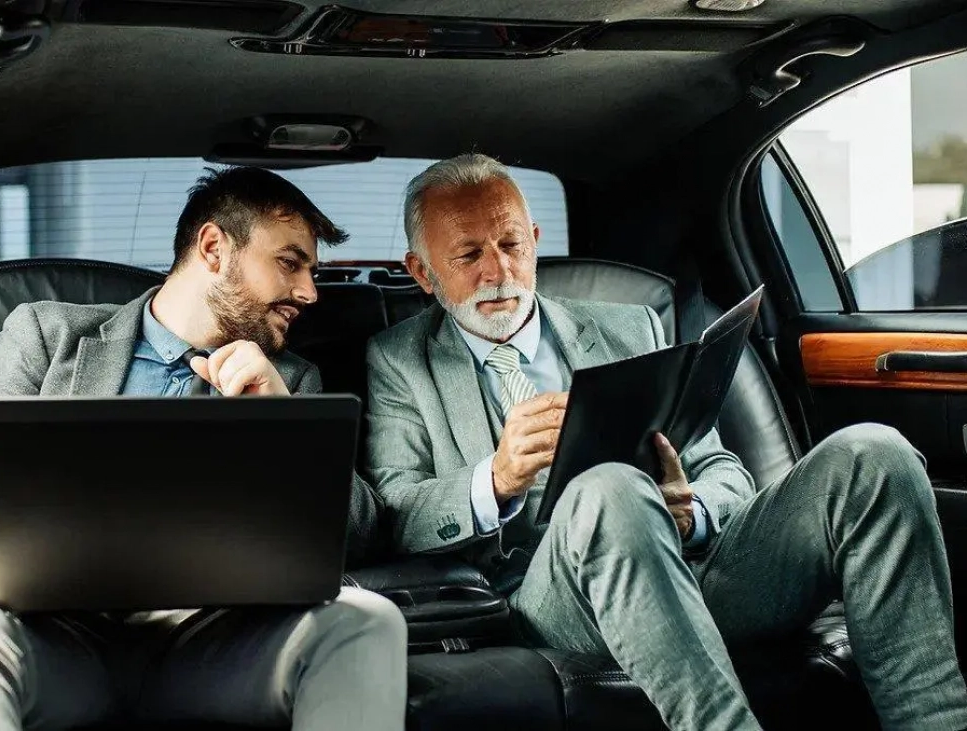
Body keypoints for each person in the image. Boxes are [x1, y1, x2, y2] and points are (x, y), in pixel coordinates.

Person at [363, 152, 967, 731]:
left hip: (693, 569)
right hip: (551, 601)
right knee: (610, 487)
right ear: (422, 271)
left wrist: (693, 512)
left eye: (512, 245)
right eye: (469, 254)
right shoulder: (399, 360)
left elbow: (724, 471)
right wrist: (493, 480)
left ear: (536, 240)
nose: (498, 271)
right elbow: (395, 513)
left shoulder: (631, 325)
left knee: (874, 453)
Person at [0, 166, 406, 731]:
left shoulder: (291, 380)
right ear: (213, 248)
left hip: (210, 646)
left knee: (368, 620)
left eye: (310, 271)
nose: (309, 292)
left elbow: (360, 531)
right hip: (46, 634)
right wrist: (50, 571)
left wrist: (281, 421)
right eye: (289, 262)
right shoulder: (45, 335)